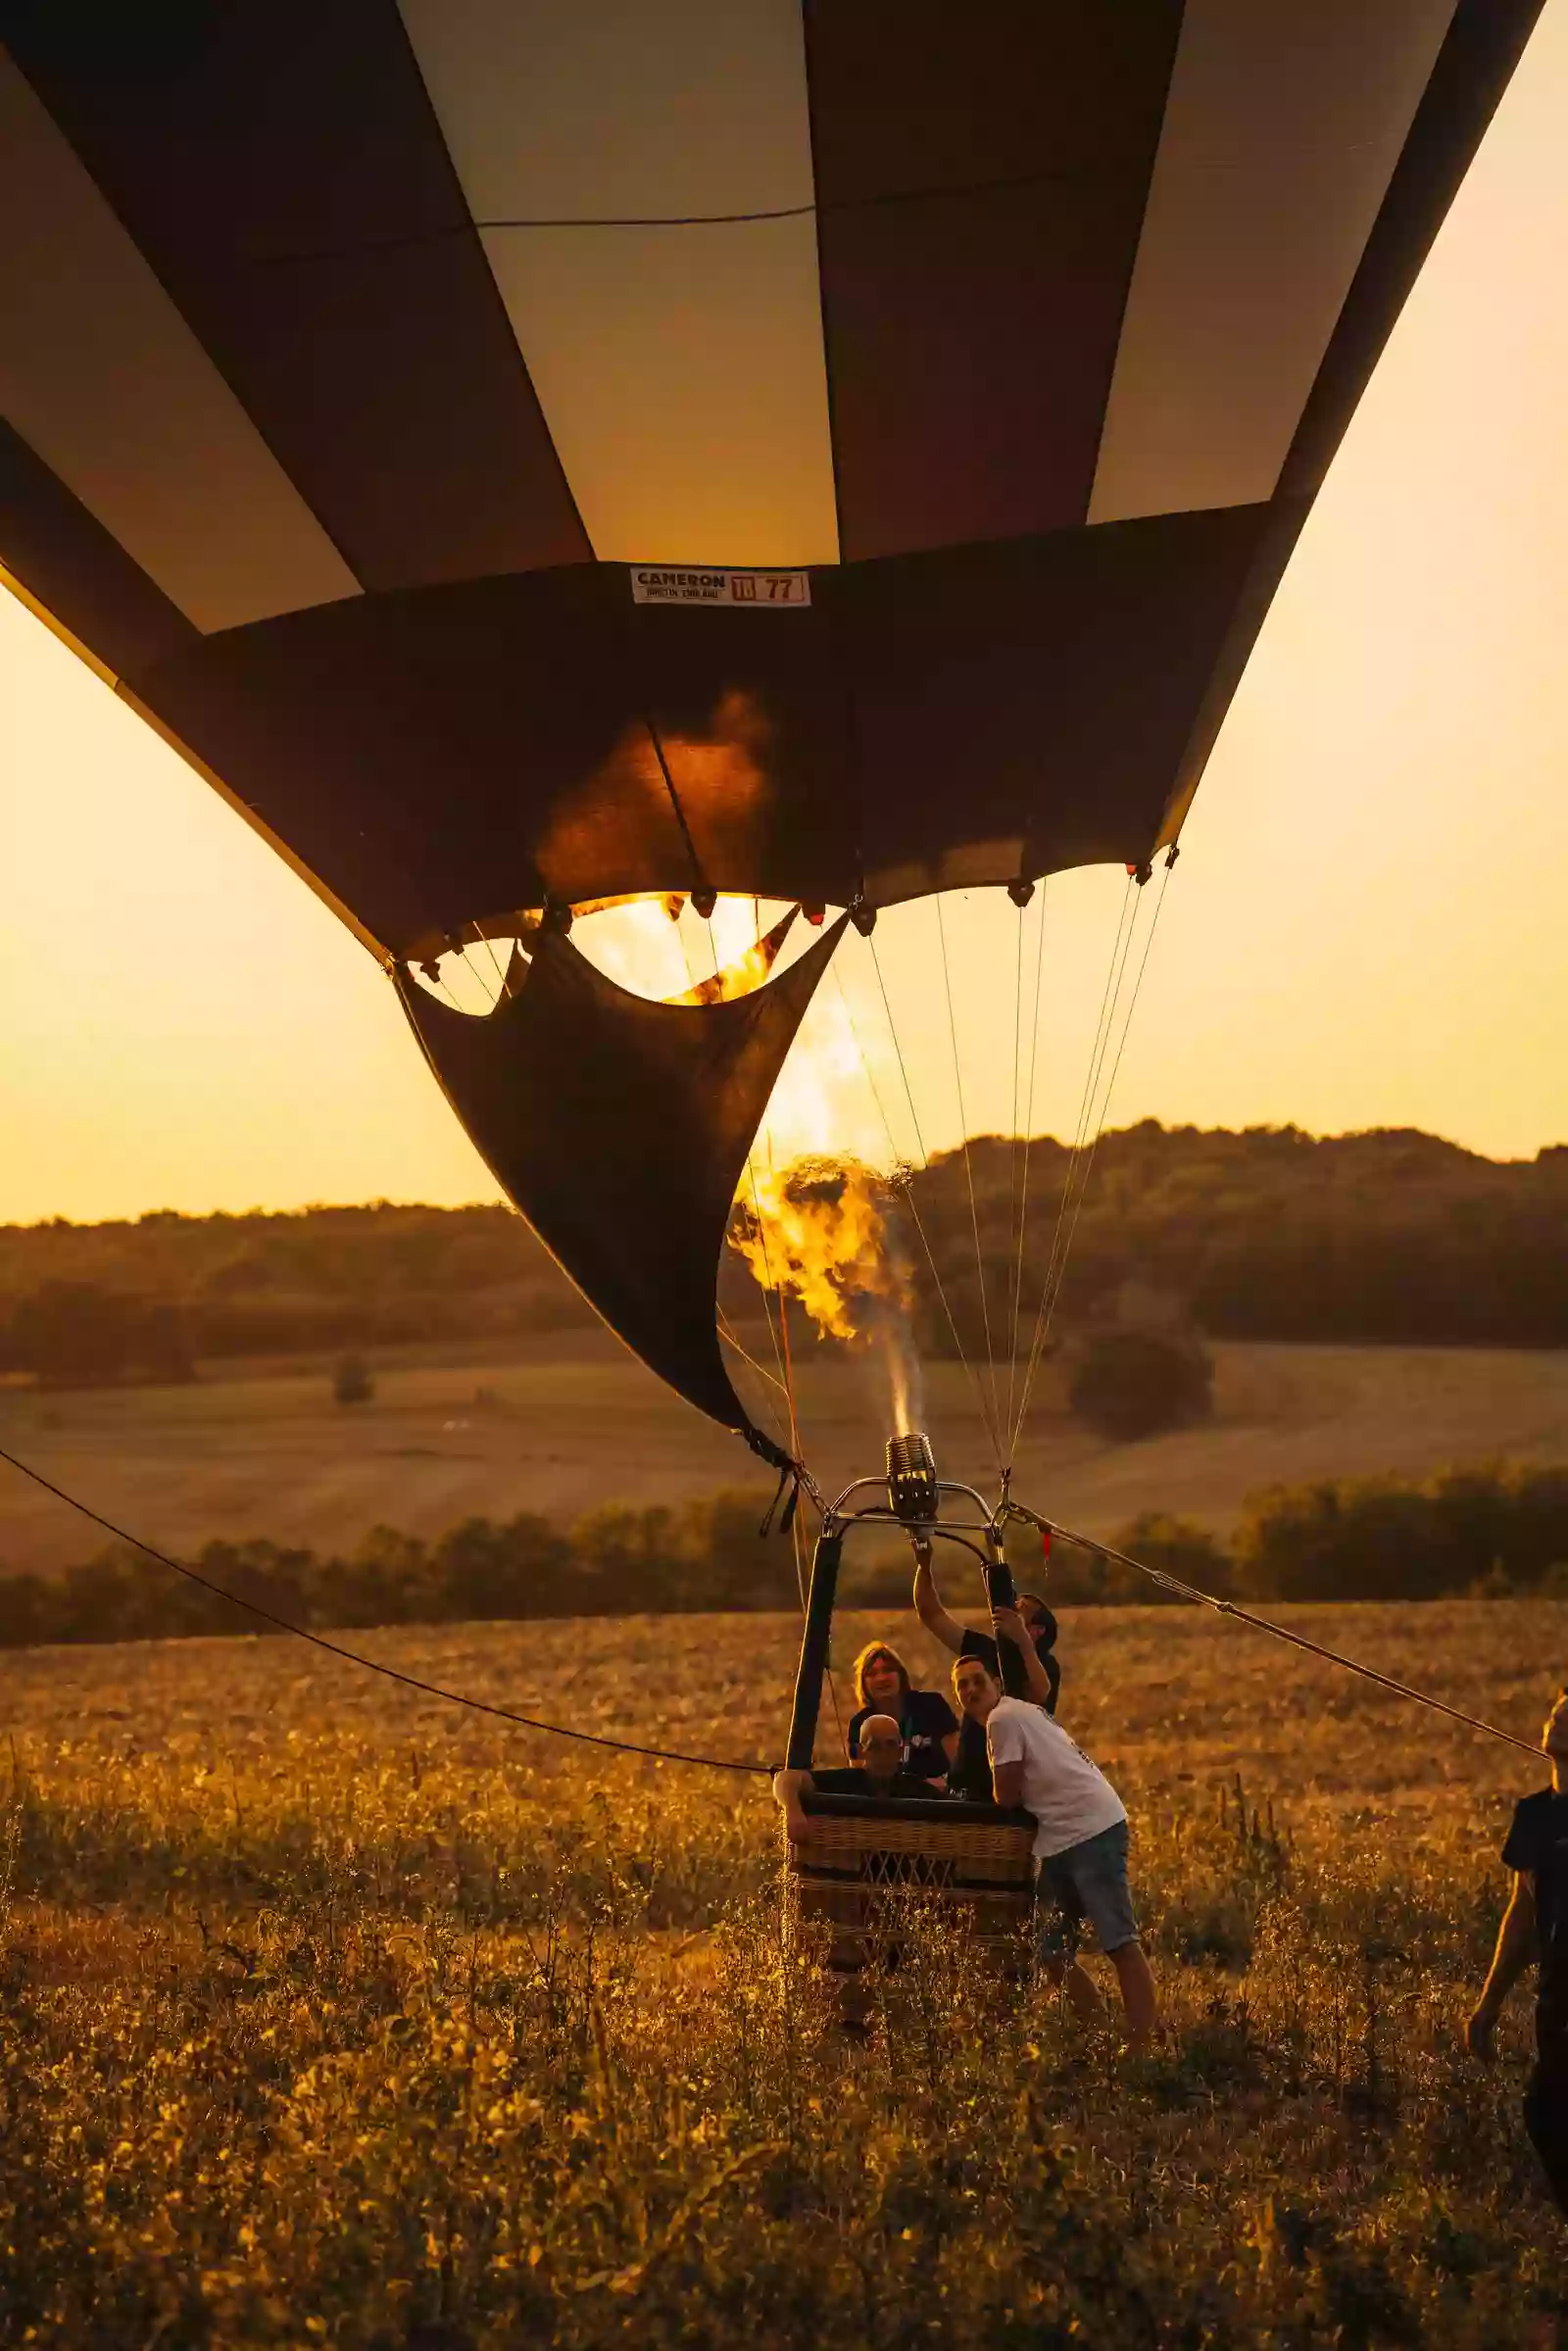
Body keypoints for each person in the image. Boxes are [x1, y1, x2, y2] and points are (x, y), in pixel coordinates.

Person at [966, 1652, 1157, 2048]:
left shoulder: (1002, 1719)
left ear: (997, 1685)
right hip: (1059, 1838)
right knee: (1050, 1950)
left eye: (977, 1680)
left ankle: (1142, 2045)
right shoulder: (1024, 1711)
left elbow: (1006, 1795)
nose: (970, 1690)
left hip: (1089, 1830)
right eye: (962, 1686)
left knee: (1119, 1940)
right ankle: (1099, 2035)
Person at [1466, 1686, 1568, 2215]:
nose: (1559, 1721)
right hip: (1555, 1994)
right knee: (1546, 2115)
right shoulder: (1534, 1816)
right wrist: (1488, 2005)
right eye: (1557, 1713)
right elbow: (1522, 1916)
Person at [913, 1550, 1061, 1711]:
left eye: (1022, 1608)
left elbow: (1039, 1694)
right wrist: (923, 1564)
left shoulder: (1047, 1664)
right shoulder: (986, 1650)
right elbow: (931, 1614)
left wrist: (1023, 1640)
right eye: (1014, 1603)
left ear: (1038, 1631)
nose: (1013, 1609)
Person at [773, 1713, 946, 1842]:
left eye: (890, 1744)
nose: (884, 1752)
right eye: (875, 1746)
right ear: (861, 1751)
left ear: (900, 1752)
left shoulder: (916, 1787)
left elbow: (957, 1809)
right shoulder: (844, 1781)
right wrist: (793, 1811)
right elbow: (785, 1778)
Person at [847, 1640, 958, 1786]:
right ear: (864, 1684)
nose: (881, 1678)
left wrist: (943, 1783)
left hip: (935, 1799)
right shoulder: (859, 1724)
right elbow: (860, 1779)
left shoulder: (932, 1705)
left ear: (901, 1675)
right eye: (872, 1673)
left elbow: (958, 1763)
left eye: (888, 1670)